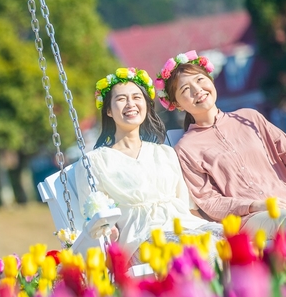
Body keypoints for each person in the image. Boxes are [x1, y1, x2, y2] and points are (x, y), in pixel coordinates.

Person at [157, 50, 286, 240]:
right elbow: (210, 201)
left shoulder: (250, 118)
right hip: (250, 219)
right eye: (186, 89)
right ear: (177, 105)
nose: (197, 90)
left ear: (210, 81)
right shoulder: (185, 148)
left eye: (200, 80)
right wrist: (255, 205)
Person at [75, 67, 220, 264]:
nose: (131, 104)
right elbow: (93, 217)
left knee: (227, 240)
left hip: (184, 226)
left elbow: (187, 206)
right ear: (108, 110)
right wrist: (108, 232)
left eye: (137, 97)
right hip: (140, 238)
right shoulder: (95, 162)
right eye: (121, 99)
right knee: (192, 250)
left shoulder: (165, 153)